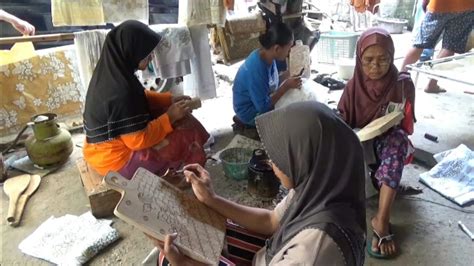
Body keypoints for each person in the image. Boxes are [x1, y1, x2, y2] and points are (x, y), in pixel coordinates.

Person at [152, 101, 367, 265]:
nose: (271, 162)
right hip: (274, 254)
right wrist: (212, 199)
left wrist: (187, 264)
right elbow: (272, 221)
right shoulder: (319, 186)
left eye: (280, 157)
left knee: (170, 258)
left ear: (306, 159)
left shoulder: (313, 251)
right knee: (204, 232)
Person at [83, 20, 210, 185]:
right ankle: (189, 176)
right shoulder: (121, 92)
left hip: (98, 151)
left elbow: (140, 97)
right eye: (147, 53)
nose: (151, 57)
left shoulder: (112, 73)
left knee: (176, 116)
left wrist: (169, 100)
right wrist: (170, 117)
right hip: (117, 162)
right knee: (187, 132)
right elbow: (137, 141)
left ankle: (179, 168)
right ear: (131, 51)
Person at [338, 28, 416, 259]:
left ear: (392, 57)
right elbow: (341, 120)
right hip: (359, 142)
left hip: (386, 143)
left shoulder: (400, 83)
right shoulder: (352, 86)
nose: (375, 66)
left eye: (383, 59)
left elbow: (407, 125)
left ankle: (381, 220)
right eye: (368, 60)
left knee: (397, 142)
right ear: (359, 60)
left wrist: (404, 107)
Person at [232, 22, 302, 136]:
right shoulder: (256, 68)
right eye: (288, 49)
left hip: (259, 101)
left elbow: (271, 83)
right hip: (249, 112)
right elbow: (263, 107)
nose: (289, 53)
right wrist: (286, 86)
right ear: (277, 48)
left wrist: (290, 73)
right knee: (292, 120)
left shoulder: (267, 56)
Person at [400, 0, 474, 93]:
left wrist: (425, 2)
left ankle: (399, 80)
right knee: (450, 46)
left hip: (439, 5)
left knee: (419, 43)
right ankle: (432, 84)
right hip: (466, 7)